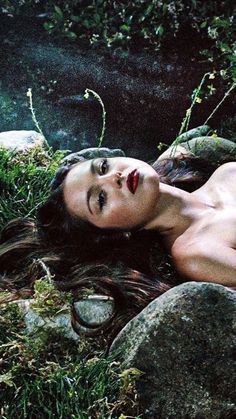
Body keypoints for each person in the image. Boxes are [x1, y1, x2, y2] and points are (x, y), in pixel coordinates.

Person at [1, 131, 236, 338]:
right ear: (116, 235)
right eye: (101, 199)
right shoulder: (195, 252)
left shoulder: (226, 174)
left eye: (103, 167)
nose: (115, 178)